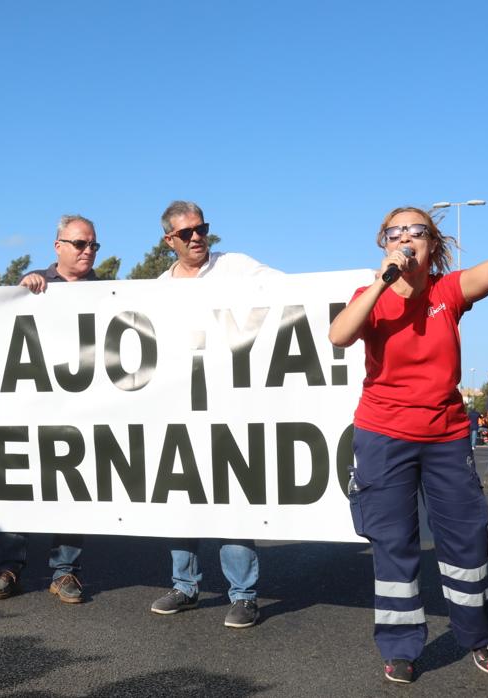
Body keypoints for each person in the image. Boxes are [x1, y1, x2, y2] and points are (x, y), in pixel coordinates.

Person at [329, 181, 488, 683]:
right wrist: (382, 281)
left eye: (416, 231)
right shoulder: (369, 296)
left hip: (444, 436)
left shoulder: (448, 292)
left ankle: (478, 638)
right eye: (394, 232)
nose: (405, 239)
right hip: (383, 434)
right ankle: (400, 647)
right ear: (383, 243)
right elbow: (339, 335)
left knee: (465, 539)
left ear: (432, 245)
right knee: (393, 541)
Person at [147, 200, 279, 630]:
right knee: (180, 497)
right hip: (178, 409)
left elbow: (294, 291)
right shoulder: (157, 288)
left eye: (202, 228)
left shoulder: (235, 266)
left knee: (230, 497)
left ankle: (243, 595)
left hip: (228, 406)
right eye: (186, 233)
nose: (197, 237)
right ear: (170, 240)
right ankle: (184, 586)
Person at [0, 214, 100, 605]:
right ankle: (10, 567)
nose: (88, 251)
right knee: (19, 486)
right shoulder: (35, 285)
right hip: (30, 409)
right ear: (58, 247)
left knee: (70, 490)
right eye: (80, 244)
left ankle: (65, 573)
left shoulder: (110, 292)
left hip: (79, 412)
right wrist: (20, 291)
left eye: (93, 245)